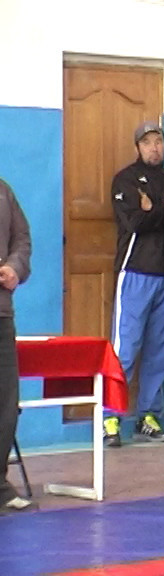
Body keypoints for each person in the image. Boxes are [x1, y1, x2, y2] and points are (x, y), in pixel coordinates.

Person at [106, 121, 164, 446]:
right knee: (125, 349)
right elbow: (135, 222)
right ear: (138, 147)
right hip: (134, 273)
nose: (155, 147)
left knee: (159, 351)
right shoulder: (125, 180)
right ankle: (110, 418)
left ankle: (148, 416)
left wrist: (155, 210)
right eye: (148, 142)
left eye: (159, 141)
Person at [0, 178, 34, 514]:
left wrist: (14, 268)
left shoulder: (3, 191)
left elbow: (22, 238)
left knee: (6, 404)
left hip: (1, 313)